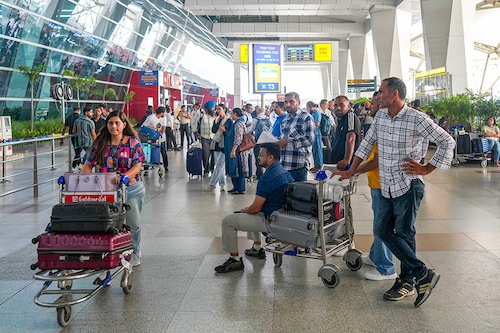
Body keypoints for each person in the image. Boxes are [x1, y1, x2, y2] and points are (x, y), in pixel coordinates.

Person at [336, 77, 455, 307]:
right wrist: (351, 170)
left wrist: (426, 168)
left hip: (408, 186)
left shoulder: (416, 118)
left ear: (395, 94)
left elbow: (447, 141)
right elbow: (366, 144)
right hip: (387, 185)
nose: (377, 95)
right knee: (382, 230)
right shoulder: (380, 116)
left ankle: (407, 281)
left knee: (404, 233)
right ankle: (423, 273)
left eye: (381, 91)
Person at [333, 92, 396, 281]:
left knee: (383, 225)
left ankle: (387, 268)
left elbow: (376, 159)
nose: (373, 103)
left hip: (385, 181)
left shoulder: (387, 124)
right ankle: (376, 257)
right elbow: (366, 148)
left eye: (377, 100)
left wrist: (352, 168)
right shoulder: (379, 122)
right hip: (376, 181)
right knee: (379, 221)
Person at [214, 142, 294, 273]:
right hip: (281, 216)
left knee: (228, 221)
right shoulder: (283, 172)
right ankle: (257, 249)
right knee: (251, 212)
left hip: (271, 221)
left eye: (261, 155)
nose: (258, 157)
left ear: (270, 157)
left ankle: (235, 260)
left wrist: (245, 210)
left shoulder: (267, 178)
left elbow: (255, 209)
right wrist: (249, 210)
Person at [83, 110, 146, 266]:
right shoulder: (100, 143)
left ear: (124, 125)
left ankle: (135, 251)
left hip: (131, 188)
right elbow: (88, 165)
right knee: (107, 224)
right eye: (110, 123)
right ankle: (108, 254)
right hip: (106, 190)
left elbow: (138, 165)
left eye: (117, 123)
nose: (113, 126)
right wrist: (87, 180)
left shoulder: (132, 142)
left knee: (133, 223)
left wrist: (126, 176)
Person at [278, 91, 315, 181]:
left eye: (291, 102)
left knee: (298, 194)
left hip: (298, 166)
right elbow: (283, 137)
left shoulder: (306, 117)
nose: (288, 105)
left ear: (298, 102)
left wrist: (288, 142)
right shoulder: (285, 120)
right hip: (284, 164)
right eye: (286, 102)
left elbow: (309, 140)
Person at [204, 104, 233, 192]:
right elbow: (213, 130)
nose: (218, 110)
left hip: (224, 145)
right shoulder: (217, 119)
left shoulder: (228, 120)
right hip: (216, 143)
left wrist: (224, 130)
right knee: (219, 166)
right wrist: (216, 123)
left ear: (224, 109)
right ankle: (222, 184)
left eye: (219, 109)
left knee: (219, 165)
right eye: (217, 109)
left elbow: (228, 132)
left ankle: (212, 184)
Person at [330, 95, 361, 170]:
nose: (338, 108)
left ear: (349, 106)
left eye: (342, 105)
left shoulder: (350, 116)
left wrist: (346, 160)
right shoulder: (341, 119)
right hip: (338, 162)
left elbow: (351, 138)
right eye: (336, 105)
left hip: (346, 165)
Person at [224, 107, 250, 194]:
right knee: (234, 169)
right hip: (234, 150)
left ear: (235, 114)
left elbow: (238, 138)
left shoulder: (239, 124)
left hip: (238, 151)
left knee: (238, 169)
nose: (231, 115)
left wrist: (233, 150)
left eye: (232, 113)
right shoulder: (236, 123)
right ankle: (236, 187)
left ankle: (240, 188)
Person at [142, 106, 169, 172]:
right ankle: (146, 168)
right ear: (161, 113)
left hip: (160, 137)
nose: (165, 114)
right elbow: (144, 127)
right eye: (164, 113)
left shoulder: (164, 118)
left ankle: (166, 167)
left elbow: (163, 128)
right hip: (150, 138)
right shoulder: (151, 118)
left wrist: (160, 136)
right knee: (149, 152)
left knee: (163, 152)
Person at [249, 107, 271, 181]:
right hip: (267, 142)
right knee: (268, 158)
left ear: (257, 112)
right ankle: (267, 174)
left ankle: (259, 175)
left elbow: (251, 130)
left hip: (258, 142)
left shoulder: (255, 119)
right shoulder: (268, 119)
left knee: (258, 158)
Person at [194, 101, 216, 177]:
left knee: (214, 155)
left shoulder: (215, 115)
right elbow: (194, 123)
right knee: (205, 155)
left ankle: (212, 168)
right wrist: (197, 133)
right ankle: (206, 170)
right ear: (207, 109)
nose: (213, 110)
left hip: (214, 138)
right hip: (204, 138)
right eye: (212, 109)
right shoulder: (201, 115)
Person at [60, 106, 81, 170]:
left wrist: (62, 139)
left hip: (72, 136)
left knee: (77, 150)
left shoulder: (68, 118)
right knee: (78, 151)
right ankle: (74, 165)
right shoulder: (80, 117)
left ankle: (79, 164)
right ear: (78, 110)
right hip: (79, 136)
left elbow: (64, 129)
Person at [306, 101, 323, 173]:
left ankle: (319, 166)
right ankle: (316, 165)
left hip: (316, 133)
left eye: (307, 107)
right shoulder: (312, 113)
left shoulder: (316, 113)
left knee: (317, 150)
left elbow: (317, 123)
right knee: (314, 150)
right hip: (313, 134)